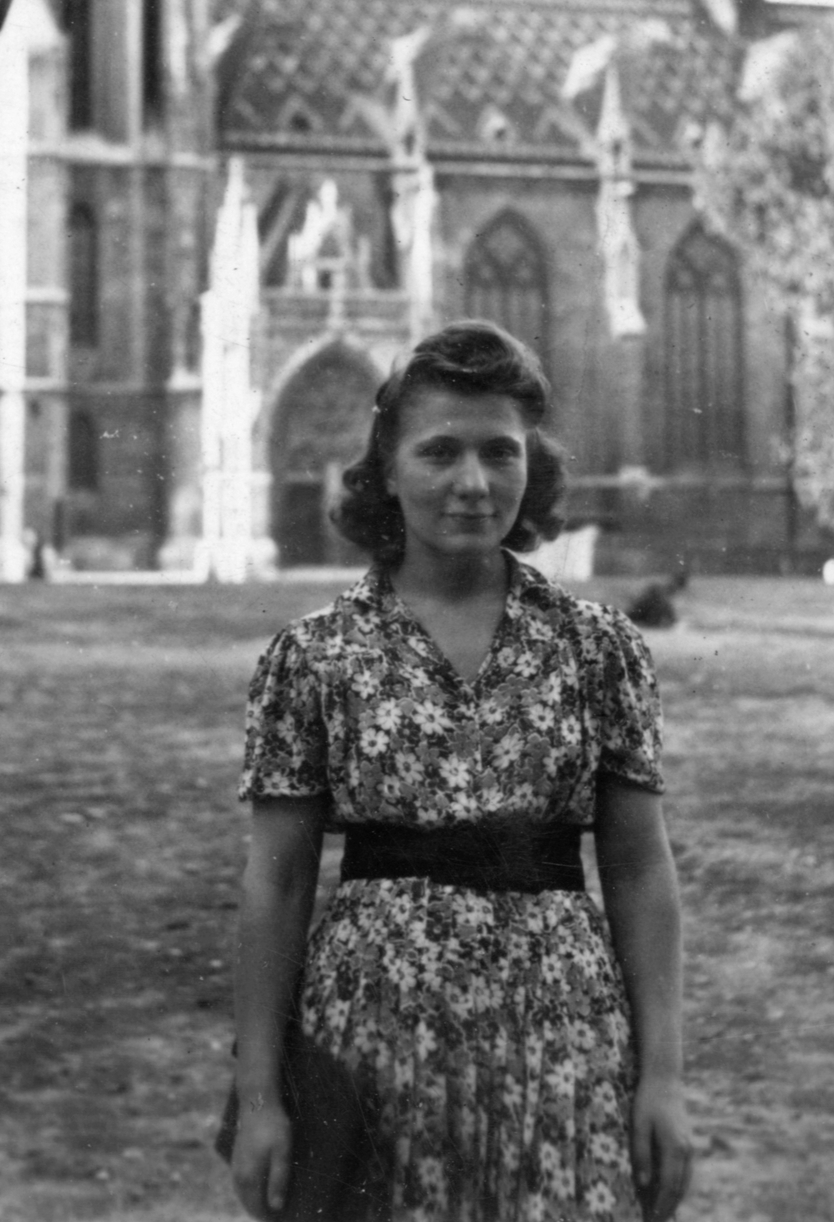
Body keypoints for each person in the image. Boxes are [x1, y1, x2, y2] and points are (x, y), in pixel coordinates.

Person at [231, 321, 692, 1222]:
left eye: (500, 453)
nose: (473, 483)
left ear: (533, 469)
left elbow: (640, 870)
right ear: (387, 467)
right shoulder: (315, 658)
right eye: (440, 451)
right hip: (372, 1045)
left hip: (564, 1047)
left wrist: (663, 1078)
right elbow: (277, 884)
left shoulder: (598, 649)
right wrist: (260, 1099)